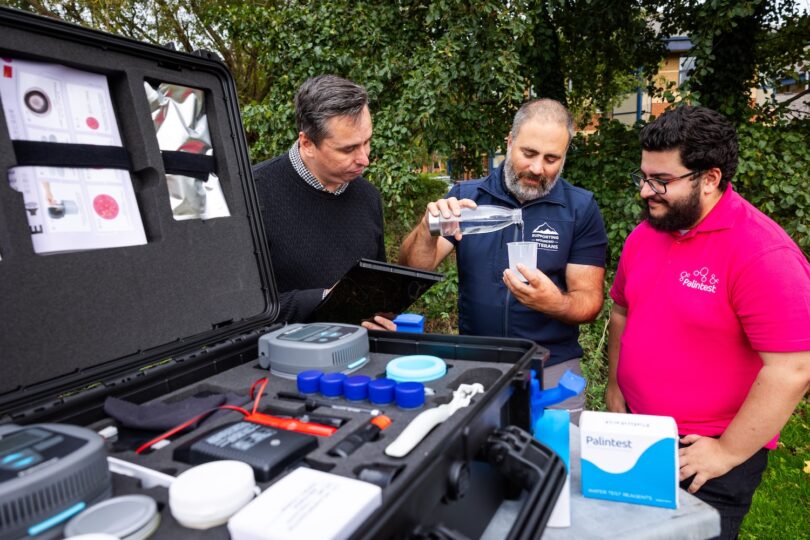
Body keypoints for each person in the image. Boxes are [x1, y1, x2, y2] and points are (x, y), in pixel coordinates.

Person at [606, 105, 810, 539]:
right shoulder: (647, 234)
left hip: (702, 455)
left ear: (710, 179)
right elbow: (622, 310)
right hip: (638, 430)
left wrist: (727, 451)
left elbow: (793, 369)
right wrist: (614, 385)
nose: (646, 191)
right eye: (643, 176)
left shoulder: (763, 254)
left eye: (661, 181)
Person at [381, 99, 608, 423]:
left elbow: (589, 301)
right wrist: (427, 228)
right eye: (528, 153)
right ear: (510, 141)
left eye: (551, 158)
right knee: (476, 461)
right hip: (478, 363)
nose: (537, 168)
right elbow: (415, 269)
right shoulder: (467, 199)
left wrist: (554, 302)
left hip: (552, 369)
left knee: (557, 462)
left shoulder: (579, 208)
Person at [253, 75, 385, 322]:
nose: (365, 159)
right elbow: (240, 310)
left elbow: (375, 292)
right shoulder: (251, 196)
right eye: (348, 149)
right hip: (282, 356)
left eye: (367, 142)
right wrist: (326, 299)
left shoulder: (368, 197)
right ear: (307, 143)